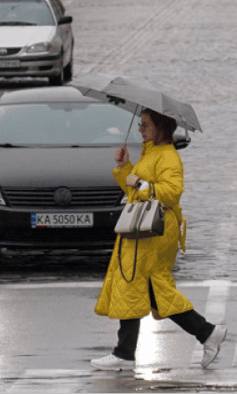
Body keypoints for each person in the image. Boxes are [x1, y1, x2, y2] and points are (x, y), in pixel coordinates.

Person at [91, 108, 227, 371]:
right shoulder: (152, 153)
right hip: (145, 229)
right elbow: (134, 188)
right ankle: (207, 333)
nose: (140, 130)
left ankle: (123, 354)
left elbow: (171, 192)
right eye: (140, 125)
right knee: (153, 290)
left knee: (132, 281)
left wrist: (139, 183)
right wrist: (123, 168)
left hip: (154, 231)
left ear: (161, 128)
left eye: (145, 125)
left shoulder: (168, 157)